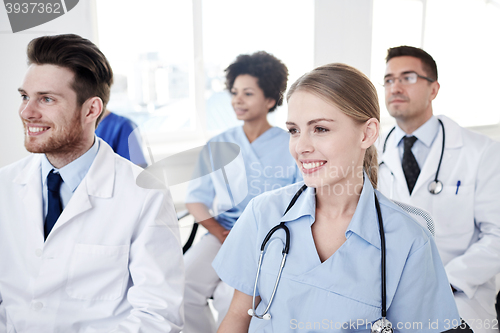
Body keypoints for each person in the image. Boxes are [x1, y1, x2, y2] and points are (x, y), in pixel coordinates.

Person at [213, 63, 461, 332]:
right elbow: (239, 315)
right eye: (294, 130)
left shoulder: (408, 240)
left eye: (320, 129)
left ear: (367, 133)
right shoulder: (264, 213)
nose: (301, 147)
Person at [0, 34, 184, 332]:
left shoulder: (144, 195)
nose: (26, 112)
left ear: (91, 110)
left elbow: (158, 315)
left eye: (46, 99)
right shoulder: (5, 186)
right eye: (25, 96)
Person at [378, 45, 500, 333]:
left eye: (407, 77)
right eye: (388, 79)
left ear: (434, 89)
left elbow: (497, 235)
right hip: (385, 300)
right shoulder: (371, 153)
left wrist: (441, 279)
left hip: (457, 297)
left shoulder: (481, 152)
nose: (395, 86)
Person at [183, 51, 301, 332]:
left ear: (270, 99)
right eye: (235, 92)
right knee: (182, 284)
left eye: (248, 93)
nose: (237, 99)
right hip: (221, 234)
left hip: (269, 240)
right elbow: (195, 198)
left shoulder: (291, 146)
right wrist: (218, 232)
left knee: (230, 297)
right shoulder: (218, 144)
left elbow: (301, 201)